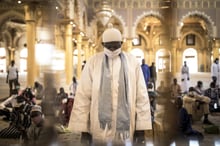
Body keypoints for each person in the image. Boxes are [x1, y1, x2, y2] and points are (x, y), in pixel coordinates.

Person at [68, 24, 152, 145]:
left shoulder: (132, 62)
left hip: (125, 128)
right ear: (103, 45)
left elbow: (141, 96)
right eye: (109, 46)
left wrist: (141, 129)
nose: (112, 50)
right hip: (99, 126)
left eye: (116, 46)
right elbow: (83, 97)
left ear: (121, 44)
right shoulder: (93, 62)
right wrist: (84, 130)